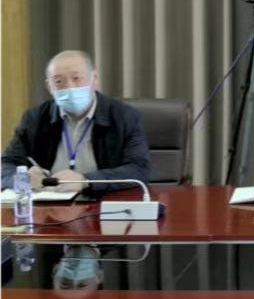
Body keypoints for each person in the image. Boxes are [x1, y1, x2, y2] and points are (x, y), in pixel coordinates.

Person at [1, 50, 150, 193]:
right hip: (48, 202)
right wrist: (22, 180)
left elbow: (139, 170)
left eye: (77, 78)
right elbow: (6, 164)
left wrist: (86, 181)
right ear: (49, 87)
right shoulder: (34, 119)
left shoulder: (125, 117)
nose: (69, 87)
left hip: (102, 199)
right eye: (59, 81)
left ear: (94, 79)